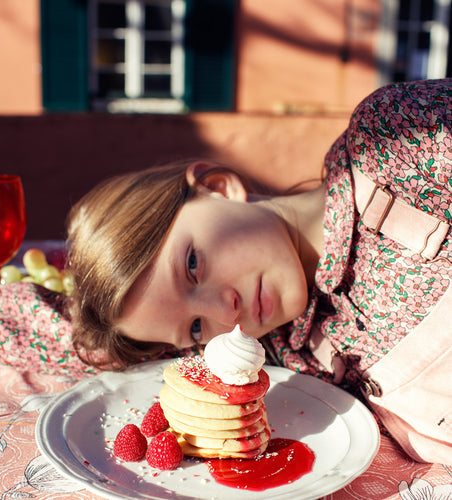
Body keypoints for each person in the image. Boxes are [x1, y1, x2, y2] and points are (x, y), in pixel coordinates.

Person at [67, 79, 452, 464]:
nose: (225, 313)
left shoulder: (392, 141)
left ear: (217, 187)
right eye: (197, 327)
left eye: (192, 265)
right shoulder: (283, 352)